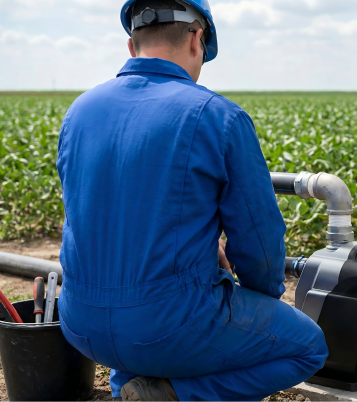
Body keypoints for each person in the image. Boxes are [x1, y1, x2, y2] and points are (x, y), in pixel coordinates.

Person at [55, 0, 328, 400]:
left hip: (80, 325)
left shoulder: (78, 112)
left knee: (136, 329)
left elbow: (99, 215)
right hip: (167, 327)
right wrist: (258, 302)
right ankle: (175, 394)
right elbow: (258, 242)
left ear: (132, 46)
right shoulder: (219, 116)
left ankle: (132, 387)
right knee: (308, 347)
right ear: (198, 39)